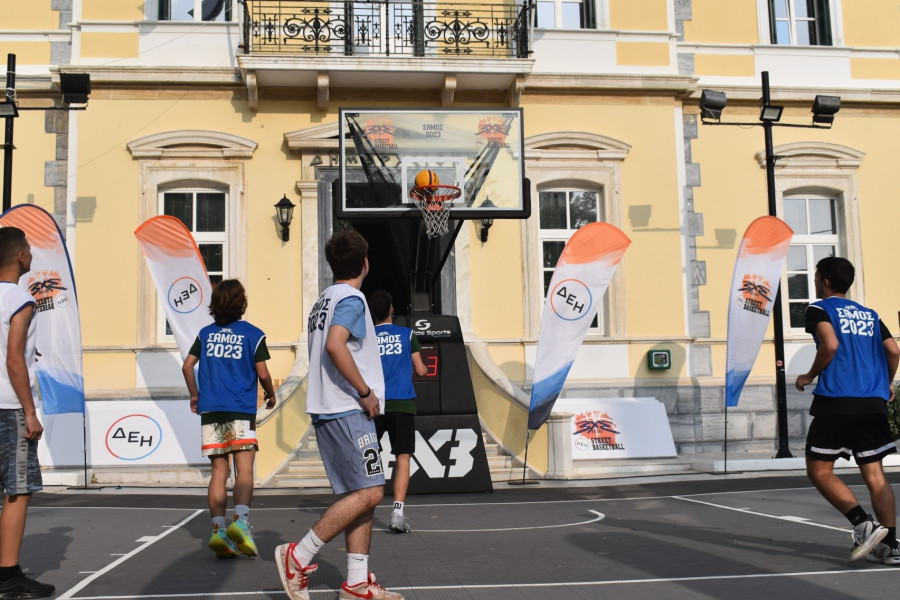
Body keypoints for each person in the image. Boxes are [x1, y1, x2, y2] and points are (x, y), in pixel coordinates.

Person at [274, 230, 401, 600]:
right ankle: (298, 556)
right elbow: (335, 344)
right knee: (372, 491)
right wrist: (364, 392)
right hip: (346, 407)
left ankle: (357, 582)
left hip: (331, 407)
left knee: (362, 491)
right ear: (365, 263)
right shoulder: (351, 299)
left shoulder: (323, 299)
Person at [795, 256, 900, 564]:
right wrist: (887, 383)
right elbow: (893, 350)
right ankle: (890, 546)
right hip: (872, 402)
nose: (814, 281)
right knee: (875, 475)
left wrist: (809, 375)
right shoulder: (870, 314)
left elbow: (829, 345)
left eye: (815, 277)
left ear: (825, 280)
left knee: (819, 470)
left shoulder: (819, 308)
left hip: (838, 400)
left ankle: (863, 524)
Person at [182, 279, 277, 559]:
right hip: (240, 409)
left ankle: (219, 531)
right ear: (241, 303)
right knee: (244, 470)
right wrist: (271, 394)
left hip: (211, 410)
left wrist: (194, 395)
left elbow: (187, 365)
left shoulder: (205, 334)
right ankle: (243, 525)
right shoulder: (253, 334)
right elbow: (262, 373)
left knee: (219, 473)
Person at [0, 227, 54, 599]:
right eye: (30, 249)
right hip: (8, 404)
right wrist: (30, 411)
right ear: (20, 256)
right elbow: (14, 359)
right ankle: (8, 576)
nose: (32, 253)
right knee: (18, 489)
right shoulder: (20, 298)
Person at [368, 290, 427, 533]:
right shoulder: (407, 334)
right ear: (392, 309)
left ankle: (364, 507)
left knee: (371, 458)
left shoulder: (366, 337)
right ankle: (397, 513)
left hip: (374, 405)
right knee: (402, 458)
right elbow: (422, 370)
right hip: (402, 403)